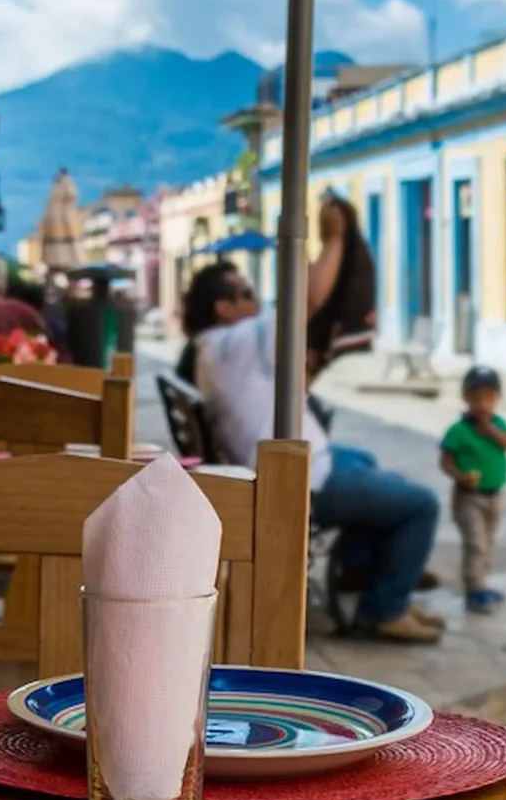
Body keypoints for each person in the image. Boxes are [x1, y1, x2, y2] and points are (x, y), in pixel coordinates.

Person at [180, 262, 444, 643]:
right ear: (223, 307)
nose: (255, 300)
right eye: (246, 293)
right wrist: (335, 239)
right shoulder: (236, 341)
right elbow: (304, 301)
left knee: (369, 463)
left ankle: (366, 569)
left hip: (296, 463)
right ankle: (386, 608)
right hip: (299, 479)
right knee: (421, 505)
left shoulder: (216, 348)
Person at [438, 367, 506, 614]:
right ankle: (473, 590)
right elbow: (445, 461)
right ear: (466, 399)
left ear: (497, 399)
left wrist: (492, 431)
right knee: (476, 544)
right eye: (476, 398)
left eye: (489, 398)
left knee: (488, 542)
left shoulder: (499, 424)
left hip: (495, 495)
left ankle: (482, 584)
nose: (482, 405)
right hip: (469, 498)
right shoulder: (459, 431)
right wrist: (460, 477)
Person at [304, 194, 377, 377]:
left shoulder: (342, 254)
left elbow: (314, 297)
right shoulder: (360, 255)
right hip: (354, 338)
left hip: (342, 342)